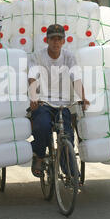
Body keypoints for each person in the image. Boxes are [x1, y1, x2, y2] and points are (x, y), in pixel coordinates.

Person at [28, 24, 89, 177]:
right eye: (52, 39)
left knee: (67, 135)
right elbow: (32, 77)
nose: (55, 42)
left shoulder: (69, 57)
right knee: (42, 127)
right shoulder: (38, 56)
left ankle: (68, 170)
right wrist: (34, 96)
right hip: (44, 102)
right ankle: (40, 157)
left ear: (64, 41)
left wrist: (83, 97)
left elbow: (76, 78)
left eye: (59, 39)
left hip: (63, 103)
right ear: (46, 40)